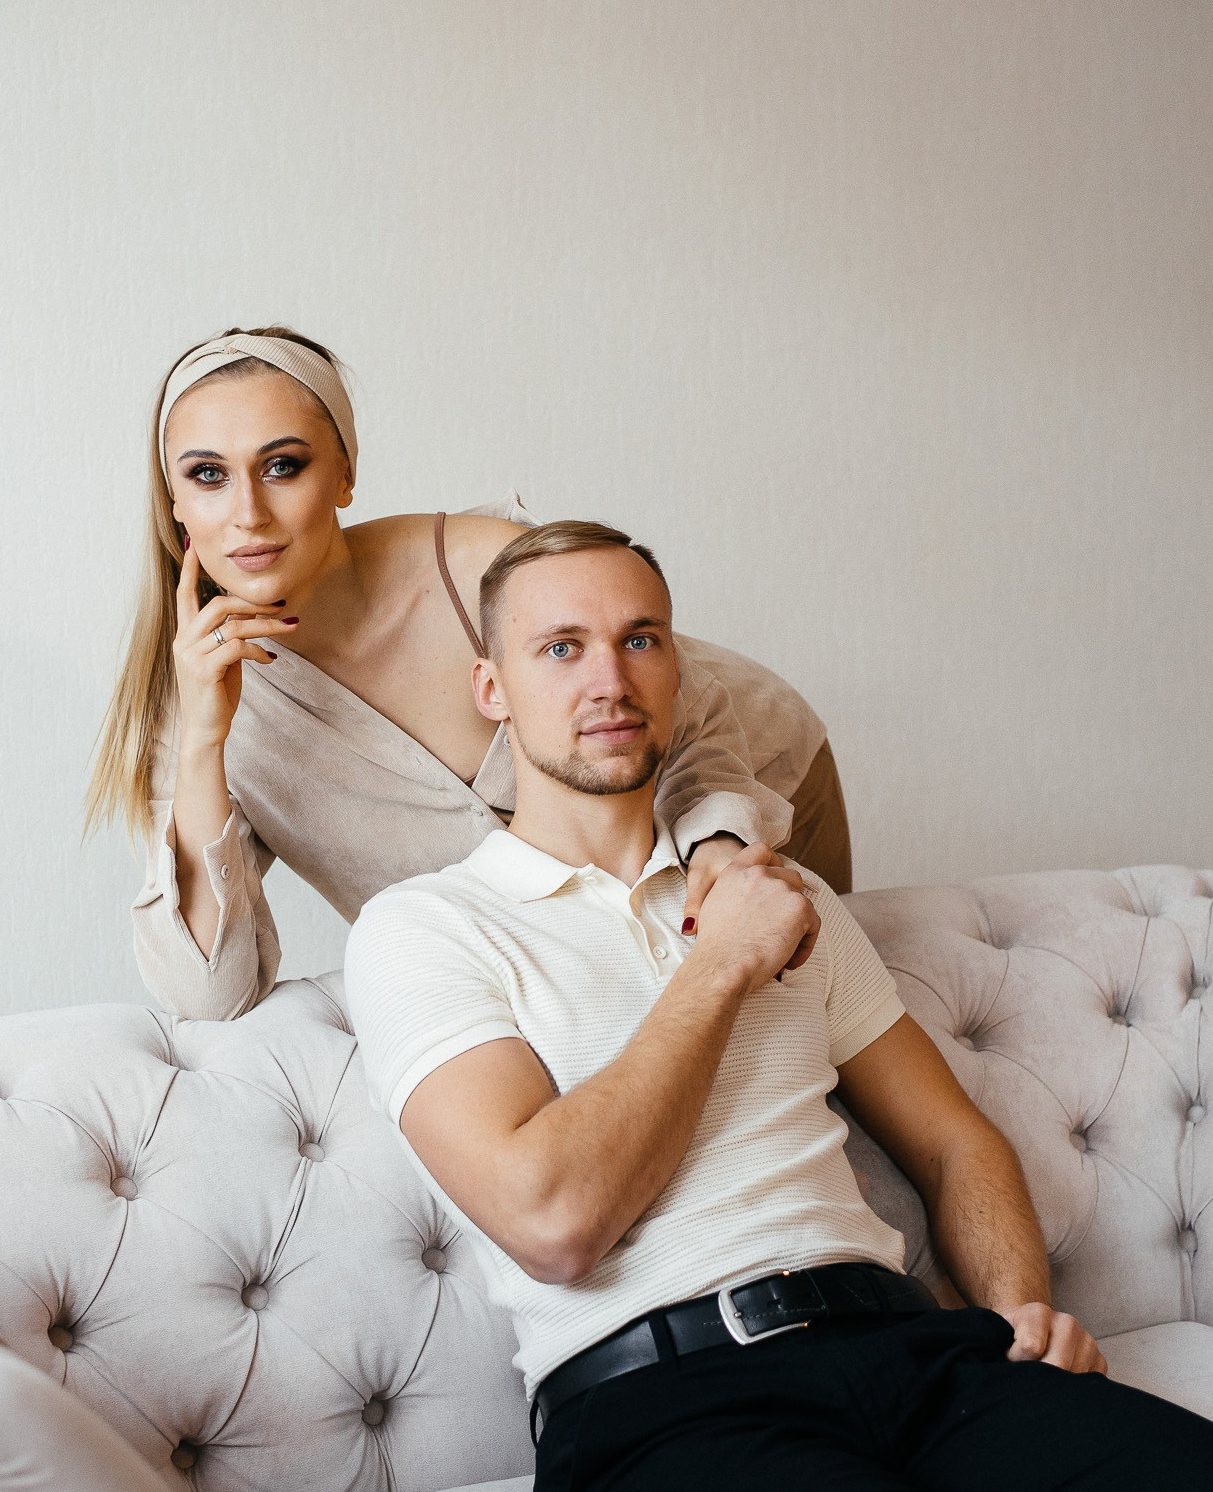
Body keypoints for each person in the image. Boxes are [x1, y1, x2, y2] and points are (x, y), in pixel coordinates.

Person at [342, 518, 1213, 1492]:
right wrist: (724, 964)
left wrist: (1018, 1303)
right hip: (665, 1417)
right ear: (493, 686)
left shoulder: (779, 894)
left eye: (641, 639)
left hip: (907, 1348)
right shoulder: (430, 928)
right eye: (561, 646)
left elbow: (953, 1138)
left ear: (675, 669)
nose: (608, 677)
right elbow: (553, 1216)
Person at [86, 325, 850, 1021]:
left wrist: (718, 841)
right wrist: (203, 743)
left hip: (757, 782)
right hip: (560, 946)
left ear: (344, 475)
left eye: (283, 466)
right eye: (208, 475)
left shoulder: (481, 567)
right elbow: (210, 995)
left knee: (811, 1030)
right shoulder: (197, 708)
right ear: (176, 503)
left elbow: (683, 716)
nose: (248, 512)